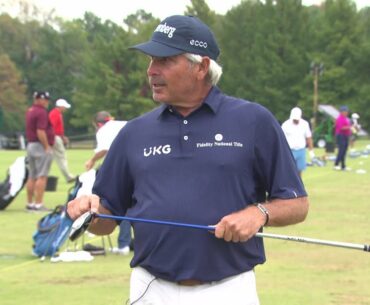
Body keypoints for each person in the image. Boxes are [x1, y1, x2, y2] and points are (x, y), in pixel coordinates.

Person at [68, 15, 309, 305]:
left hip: (229, 290)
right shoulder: (134, 132)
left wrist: (259, 213)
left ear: (202, 67)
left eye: (164, 60)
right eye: (150, 61)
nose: (151, 71)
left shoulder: (254, 121)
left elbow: (297, 203)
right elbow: (105, 219)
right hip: (150, 288)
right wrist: (87, 210)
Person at [85, 111, 132, 256]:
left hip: (126, 168)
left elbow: (104, 149)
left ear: (98, 124)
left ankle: (124, 244)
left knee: (121, 205)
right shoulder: (123, 123)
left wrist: (92, 160)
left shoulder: (103, 130)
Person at [25, 91, 54, 211]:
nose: (47, 102)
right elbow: (40, 131)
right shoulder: (41, 112)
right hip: (40, 146)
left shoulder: (30, 110)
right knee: (42, 176)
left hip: (31, 145)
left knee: (32, 176)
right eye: (45, 100)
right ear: (40, 99)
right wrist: (46, 146)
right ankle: (38, 204)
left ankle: (30, 203)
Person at [281, 107, 315, 177]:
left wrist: (311, 151)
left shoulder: (305, 124)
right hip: (289, 151)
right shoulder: (285, 125)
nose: (296, 120)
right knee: (289, 170)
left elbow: (308, 137)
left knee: (299, 170)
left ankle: (298, 186)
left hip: (301, 150)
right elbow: (281, 139)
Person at [49, 98, 75, 183]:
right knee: (61, 156)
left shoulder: (56, 113)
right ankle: (68, 176)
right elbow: (52, 127)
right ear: (61, 106)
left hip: (55, 137)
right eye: (64, 107)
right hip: (54, 137)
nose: (65, 109)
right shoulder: (55, 114)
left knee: (50, 157)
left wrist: (62, 137)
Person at [334, 105, 352, 170]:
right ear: (342, 112)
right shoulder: (339, 118)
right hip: (341, 135)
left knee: (344, 151)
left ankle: (343, 166)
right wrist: (350, 127)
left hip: (345, 136)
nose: (347, 112)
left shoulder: (346, 118)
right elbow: (341, 128)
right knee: (341, 151)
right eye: (345, 111)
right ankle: (336, 164)